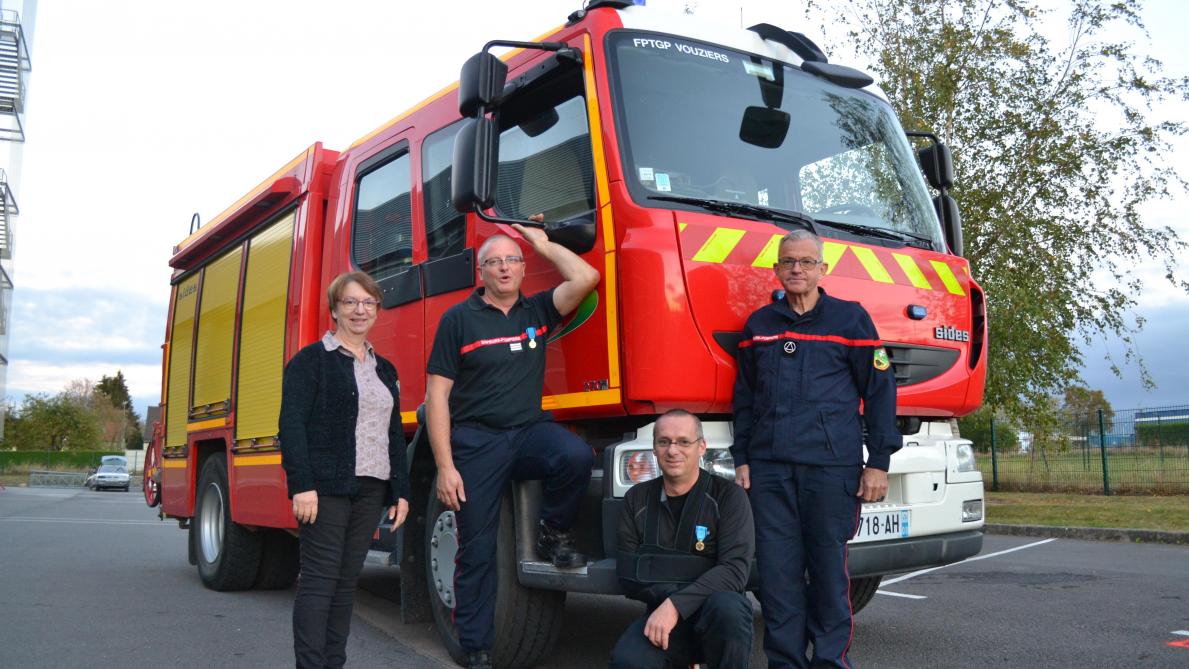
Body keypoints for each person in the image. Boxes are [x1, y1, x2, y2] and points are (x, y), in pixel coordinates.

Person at [425, 224, 601, 669]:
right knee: (478, 549)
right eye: (494, 262)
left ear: (523, 268)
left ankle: (553, 531)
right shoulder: (457, 319)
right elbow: (438, 397)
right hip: (476, 442)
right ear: (481, 272)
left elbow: (585, 279)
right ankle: (477, 646)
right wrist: (446, 467)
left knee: (575, 455)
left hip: (527, 433)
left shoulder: (538, 310)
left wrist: (543, 245)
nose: (504, 268)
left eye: (512, 260)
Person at [731, 230, 899, 669]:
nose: (797, 269)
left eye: (806, 262)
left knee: (827, 574)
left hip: (831, 470)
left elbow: (880, 393)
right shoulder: (760, 326)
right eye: (788, 262)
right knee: (778, 577)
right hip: (770, 472)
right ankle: (786, 663)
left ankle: (829, 662)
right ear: (776, 269)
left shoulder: (851, 321)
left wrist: (878, 462)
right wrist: (742, 457)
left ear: (823, 269)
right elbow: (745, 398)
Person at [279, 271, 411, 669]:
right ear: (334, 309)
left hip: (371, 487)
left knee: (345, 583)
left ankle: (333, 663)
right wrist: (302, 485)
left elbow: (393, 433)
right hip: (325, 488)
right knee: (320, 581)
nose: (359, 310)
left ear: (377, 310)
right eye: (350, 302)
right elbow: (291, 426)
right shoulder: (311, 361)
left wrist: (400, 490)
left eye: (368, 303)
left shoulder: (383, 369)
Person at [610, 409, 755, 669]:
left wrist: (676, 604)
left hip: (714, 618)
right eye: (664, 442)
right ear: (654, 449)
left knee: (729, 609)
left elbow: (734, 572)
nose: (672, 450)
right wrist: (671, 603)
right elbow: (629, 575)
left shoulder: (729, 497)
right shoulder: (637, 499)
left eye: (683, 441)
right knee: (627, 662)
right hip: (661, 619)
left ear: (701, 447)